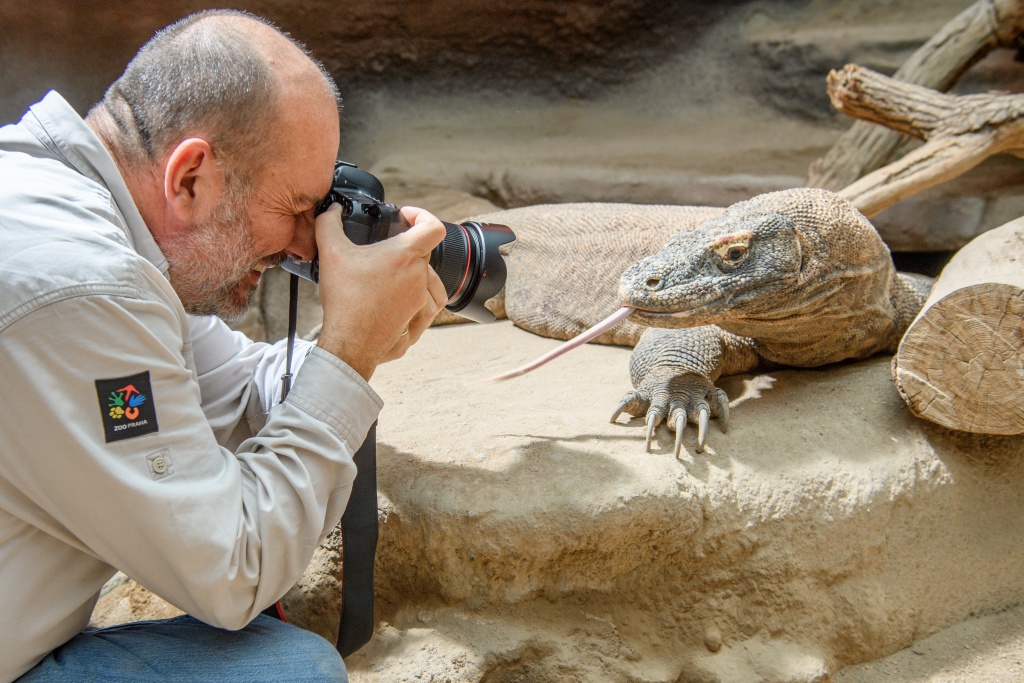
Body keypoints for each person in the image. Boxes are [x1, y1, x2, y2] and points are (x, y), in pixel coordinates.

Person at [0, 9, 447, 682]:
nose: (305, 245)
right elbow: (230, 571)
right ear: (191, 179)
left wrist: (366, 326)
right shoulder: (85, 286)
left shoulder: (83, 219)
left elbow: (240, 392)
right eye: (296, 208)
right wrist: (348, 353)